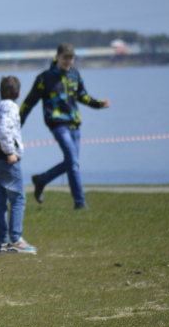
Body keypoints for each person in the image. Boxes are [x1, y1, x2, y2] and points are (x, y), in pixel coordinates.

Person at [20, 43, 110, 210]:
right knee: (73, 161)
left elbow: (83, 96)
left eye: (71, 58)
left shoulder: (76, 75)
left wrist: (99, 104)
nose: (68, 61)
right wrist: (17, 124)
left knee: (72, 162)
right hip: (57, 123)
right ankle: (80, 203)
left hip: (74, 124)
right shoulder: (44, 78)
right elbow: (29, 103)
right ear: (58, 57)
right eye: (65, 58)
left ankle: (41, 180)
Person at [0, 76, 37, 254]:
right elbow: (3, 129)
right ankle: (16, 240)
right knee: (18, 198)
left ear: (0, 91)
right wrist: (10, 152)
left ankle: (1, 242)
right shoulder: (12, 107)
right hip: (6, 159)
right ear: (19, 93)